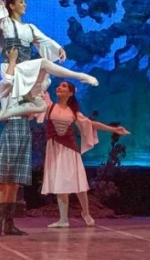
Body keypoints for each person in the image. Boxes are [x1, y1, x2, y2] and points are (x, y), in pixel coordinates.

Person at [39, 81, 129, 228]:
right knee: (60, 182)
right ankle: (63, 219)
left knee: (78, 182)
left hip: (69, 150)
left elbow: (91, 124)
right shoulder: (49, 106)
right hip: (54, 149)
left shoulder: (74, 113)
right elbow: (39, 89)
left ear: (71, 93)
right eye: (59, 86)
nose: (60, 87)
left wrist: (114, 129)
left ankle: (86, 213)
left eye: (64, 86)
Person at [0, 47, 39, 236]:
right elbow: (8, 79)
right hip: (11, 131)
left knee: (15, 183)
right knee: (3, 181)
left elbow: (34, 112)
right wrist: (12, 60)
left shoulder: (27, 91)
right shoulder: (6, 88)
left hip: (24, 131)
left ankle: (9, 224)